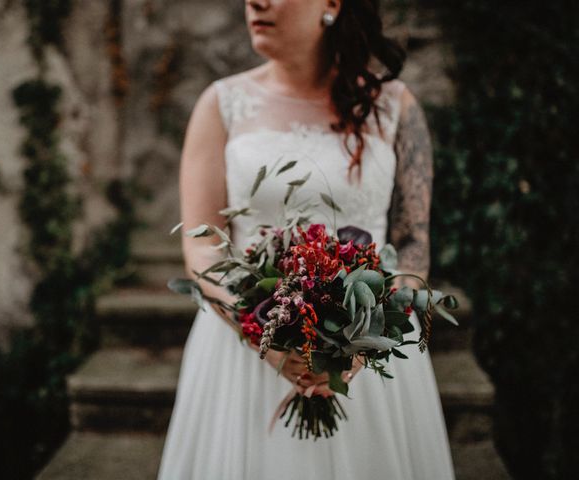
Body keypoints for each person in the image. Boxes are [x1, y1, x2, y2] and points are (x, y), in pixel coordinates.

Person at [157, 0, 455, 478]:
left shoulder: (396, 106)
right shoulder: (221, 104)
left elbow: (412, 240)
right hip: (243, 348)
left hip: (369, 352)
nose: (255, 2)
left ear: (332, 4)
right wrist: (264, 336)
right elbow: (200, 243)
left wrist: (366, 340)